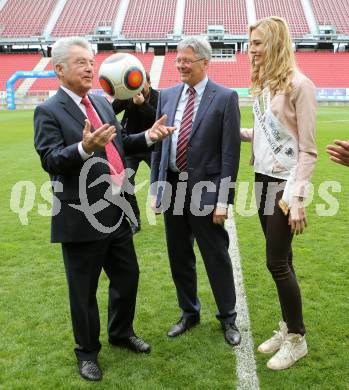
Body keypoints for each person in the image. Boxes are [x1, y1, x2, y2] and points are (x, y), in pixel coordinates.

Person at [34, 36, 174, 382]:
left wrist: (148, 137)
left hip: (116, 209)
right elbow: (51, 160)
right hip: (80, 215)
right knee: (83, 291)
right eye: (81, 62)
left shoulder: (100, 101)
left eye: (91, 62)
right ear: (59, 69)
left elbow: (120, 143)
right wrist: (82, 147)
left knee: (128, 277)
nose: (89, 67)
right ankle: (87, 353)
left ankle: (121, 332)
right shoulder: (48, 111)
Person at [150, 37, 241, 347]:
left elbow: (230, 154)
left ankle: (228, 318)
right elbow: (160, 147)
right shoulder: (167, 95)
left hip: (206, 189)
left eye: (187, 60)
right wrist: (156, 187)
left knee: (215, 256)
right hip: (173, 187)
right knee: (179, 255)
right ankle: (189, 313)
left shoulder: (225, 97)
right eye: (178, 60)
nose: (180, 65)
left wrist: (223, 200)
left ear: (205, 62)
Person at [241, 16, 317, 370]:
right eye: (250, 43)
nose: (250, 49)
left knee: (275, 262)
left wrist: (298, 198)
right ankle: (287, 326)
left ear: (274, 43)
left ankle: (297, 338)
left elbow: (307, 149)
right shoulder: (264, 85)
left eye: (256, 43)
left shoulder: (301, 86)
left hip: (285, 185)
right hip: (261, 178)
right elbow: (263, 134)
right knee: (284, 259)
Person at [112, 72, 159, 234]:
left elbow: (159, 119)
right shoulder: (128, 96)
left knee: (164, 182)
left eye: (141, 83)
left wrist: (142, 104)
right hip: (131, 147)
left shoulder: (158, 97)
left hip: (152, 147)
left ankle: (175, 216)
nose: (138, 88)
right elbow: (110, 111)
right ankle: (135, 220)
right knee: (125, 183)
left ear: (149, 83)